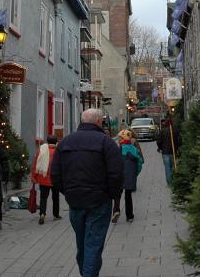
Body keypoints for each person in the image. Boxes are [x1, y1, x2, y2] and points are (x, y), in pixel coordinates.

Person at [51, 108, 123, 277]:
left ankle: (86, 272)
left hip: (75, 201)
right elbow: (117, 173)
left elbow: (55, 174)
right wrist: (111, 194)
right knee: (93, 244)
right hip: (99, 200)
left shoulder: (65, 142)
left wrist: (67, 192)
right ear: (99, 122)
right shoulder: (106, 143)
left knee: (82, 243)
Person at [111, 129, 143, 223]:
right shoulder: (134, 149)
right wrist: (135, 173)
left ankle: (116, 210)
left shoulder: (119, 149)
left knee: (117, 194)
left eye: (120, 138)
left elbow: (114, 163)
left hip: (119, 175)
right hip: (130, 175)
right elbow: (139, 163)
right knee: (128, 195)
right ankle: (130, 216)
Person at [31, 134, 60, 224]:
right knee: (55, 197)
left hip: (43, 178)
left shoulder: (42, 150)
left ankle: (42, 213)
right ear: (56, 142)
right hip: (55, 178)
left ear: (47, 142)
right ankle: (55, 215)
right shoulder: (58, 151)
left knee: (43, 197)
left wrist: (34, 176)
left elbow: (36, 162)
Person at [156, 118, 180, 186]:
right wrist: (177, 148)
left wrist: (160, 148)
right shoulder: (175, 130)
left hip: (165, 152)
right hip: (173, 151)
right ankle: (174, 180)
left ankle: (169, 182)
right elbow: (179, 140)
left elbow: (158, 140)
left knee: (167, 167)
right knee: (173, 166)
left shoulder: (162, 131)